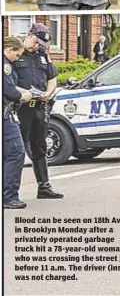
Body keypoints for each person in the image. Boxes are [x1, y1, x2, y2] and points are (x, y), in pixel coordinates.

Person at [13, 23, 63, 199]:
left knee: (40, 147)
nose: (37, 46)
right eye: (36, 41)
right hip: (21, 108)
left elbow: (52, 77)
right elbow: (7, 82)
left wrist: (48, 93)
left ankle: (44, 187)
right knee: (16, 150)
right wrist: (23, 92)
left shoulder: (42, 55)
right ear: (29, 35)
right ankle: (11, 191)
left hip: (39, 108)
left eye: (40, 44)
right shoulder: (14, 53)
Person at [3, 36, 33, 209]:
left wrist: (21, 90)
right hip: (5, 116)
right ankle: (9, 196)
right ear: (9, 50)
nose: (18, 58)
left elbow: (10, 85)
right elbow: (8, 90)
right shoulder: (5, 65)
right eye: (17, 54)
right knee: (16, 153)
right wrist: (23, 95)